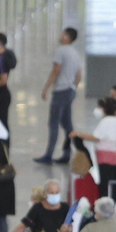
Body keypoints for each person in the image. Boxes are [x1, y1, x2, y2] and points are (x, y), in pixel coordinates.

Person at [36, 27, 82, 165]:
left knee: (54, 123)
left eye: (63, 33)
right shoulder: (75, 52)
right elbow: (79, 74)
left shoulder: (60, 51)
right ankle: (68, 153)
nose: (60, 35)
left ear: (67, 37)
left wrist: (46, 88)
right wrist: (73, 87)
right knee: (67, 124)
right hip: (70, 90)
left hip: (60, 91)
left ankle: (49, 155)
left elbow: (56, 70)